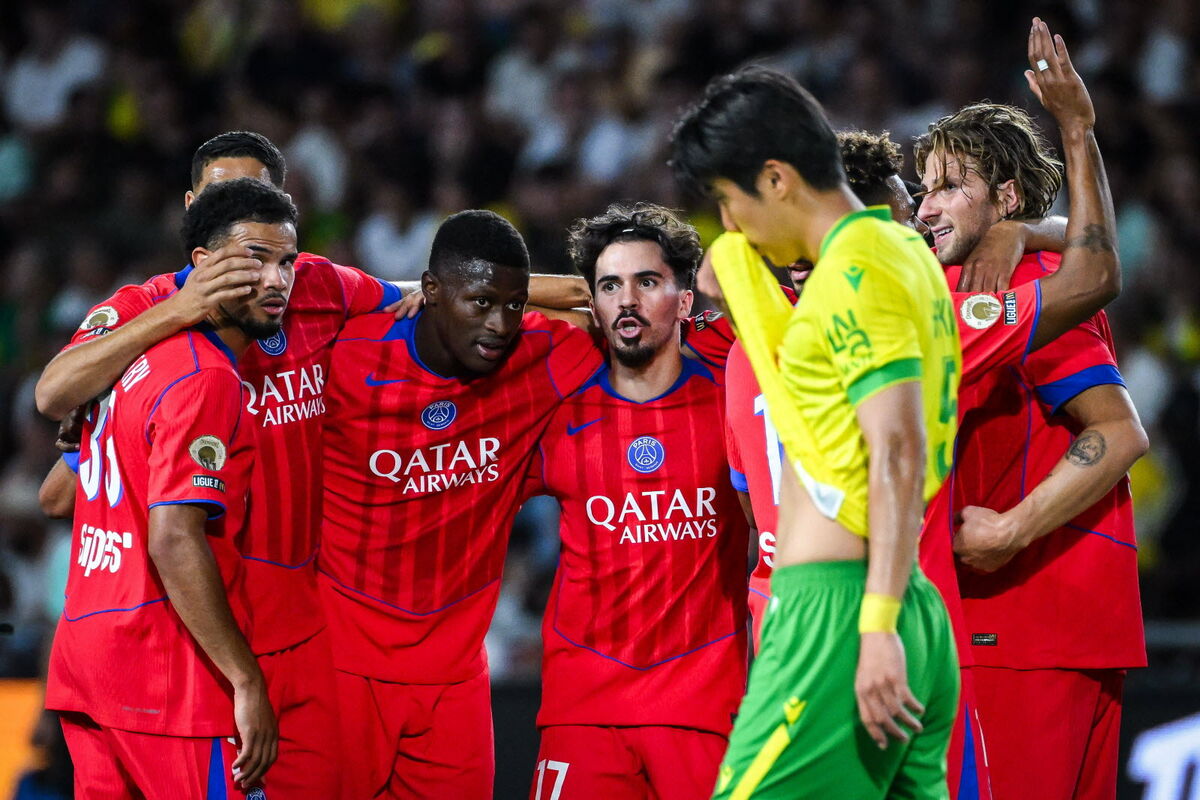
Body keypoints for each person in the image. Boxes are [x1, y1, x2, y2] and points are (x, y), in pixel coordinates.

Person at [35, 131, 397, 797]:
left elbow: (428, 295)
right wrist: (179, 311)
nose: (271, 273)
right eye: (221, 198)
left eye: (280, 255)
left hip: (269, 626)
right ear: (195, 217)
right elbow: (57, 421)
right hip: (188, 638)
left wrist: (581, 294)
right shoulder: (152, 326)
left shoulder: (313, 290)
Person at [672, 64, 963, 799]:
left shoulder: (855, 274)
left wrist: (876, 625)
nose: (729, 225)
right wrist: (739, 264)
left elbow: (895, 450)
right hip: (904, 607)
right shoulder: (895, 252)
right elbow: (791, 378)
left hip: (841, 616)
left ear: (776, 178)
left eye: (730, 202)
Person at [917, 20, 1146, 798]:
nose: (925, 208)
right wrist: (1023, 229)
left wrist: (1012, 528)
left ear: (1006, 196)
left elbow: (1118, 432)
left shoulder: (1006, 293)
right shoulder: (1037, 271)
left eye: (950, 185)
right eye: (924, 188)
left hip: (1017, 623)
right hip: (1069, 627)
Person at [318, 209, 604, 799]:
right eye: (479, 302)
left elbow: (611, 310)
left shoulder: (537, 356)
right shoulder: (345, 356)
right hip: (342, 666)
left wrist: (531, 294)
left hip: (457, 678)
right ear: (431, 292)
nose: (500, 324)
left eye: (514, 305)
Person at [45, 177, 299, 796]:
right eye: (255, 260)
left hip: (90, 663)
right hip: (168, 676)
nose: (277, 280)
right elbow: (175, 539)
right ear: (203, 265)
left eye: (287, 261)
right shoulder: (205, 377)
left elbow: (57, 493)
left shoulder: (130, 356)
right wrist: (245, 680)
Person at [526, 203, 749, 800]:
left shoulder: (734, 391)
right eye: (608, 286)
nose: (626, 300)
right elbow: (476, 303)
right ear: (591, 305)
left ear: (684, 300)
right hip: (583, 708)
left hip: (706, 705)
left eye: (646, 282)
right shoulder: (553, 408)